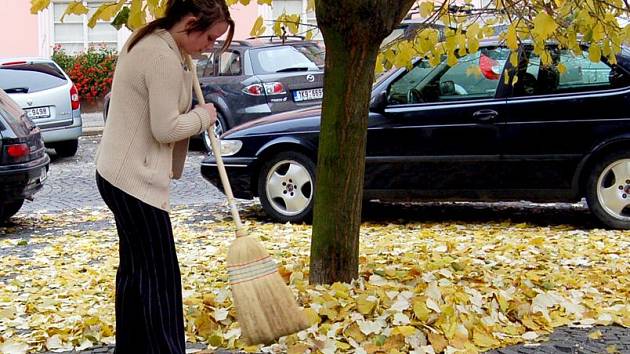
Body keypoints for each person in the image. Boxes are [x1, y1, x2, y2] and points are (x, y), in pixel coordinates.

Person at [94, 1, 234, 352]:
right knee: (161, 278)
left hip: (116, 173)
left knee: (136, 271)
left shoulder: (158, 42)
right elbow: (166, 127)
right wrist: (204, 116)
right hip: (132, 181)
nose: (210, 47)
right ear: (189, 23)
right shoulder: (161, 56)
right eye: (210, 38)